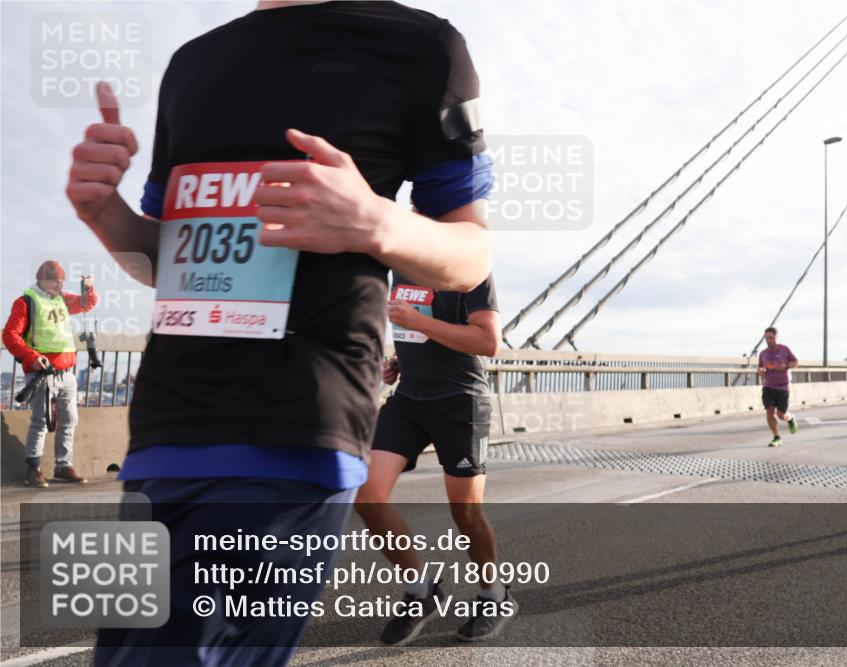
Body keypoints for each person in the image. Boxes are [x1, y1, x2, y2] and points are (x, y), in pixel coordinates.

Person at [66, 1, 493, 664]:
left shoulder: (421, 45)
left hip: (293, 431)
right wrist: (105, 214)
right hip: (163, 436)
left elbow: (472, 256)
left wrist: (374, 222)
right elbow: (164, 259)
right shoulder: (192, 64)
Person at [355, 273, 512, 645]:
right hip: (409, 399)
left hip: (461, 401)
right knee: (367, 496)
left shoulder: (470, 270)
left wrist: (417, 321)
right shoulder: (400, 271)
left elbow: (488, 342)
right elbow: (418, 333)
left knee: (466, 512)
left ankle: (494, 595)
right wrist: (397, 359)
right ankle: (421, 590)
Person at [2, 260, 98, 487]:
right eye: (56, 281)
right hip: (43, 373)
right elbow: (9, 334)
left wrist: (89, 289)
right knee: (40, 422)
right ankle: (33, 469)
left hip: (67, 373)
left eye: (62, 281)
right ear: (42, 280)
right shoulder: (26, 302)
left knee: (70, 420)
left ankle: (63, 466)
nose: (60, 285)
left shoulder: (61, 299)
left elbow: (88, 303)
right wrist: (30, 357)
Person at [756, 327, 799, 447]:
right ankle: (777, 437)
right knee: (769, 412)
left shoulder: (784, 349)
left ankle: (790, 418)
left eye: (771, 337)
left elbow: (796, 362)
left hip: (783, 387)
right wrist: (760, 371)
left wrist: (785, 366)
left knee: (781, 415)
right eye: (766, 337)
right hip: (768, 386)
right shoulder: (763, 353)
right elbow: (760, 367)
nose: (768, 340)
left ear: (776, 337)